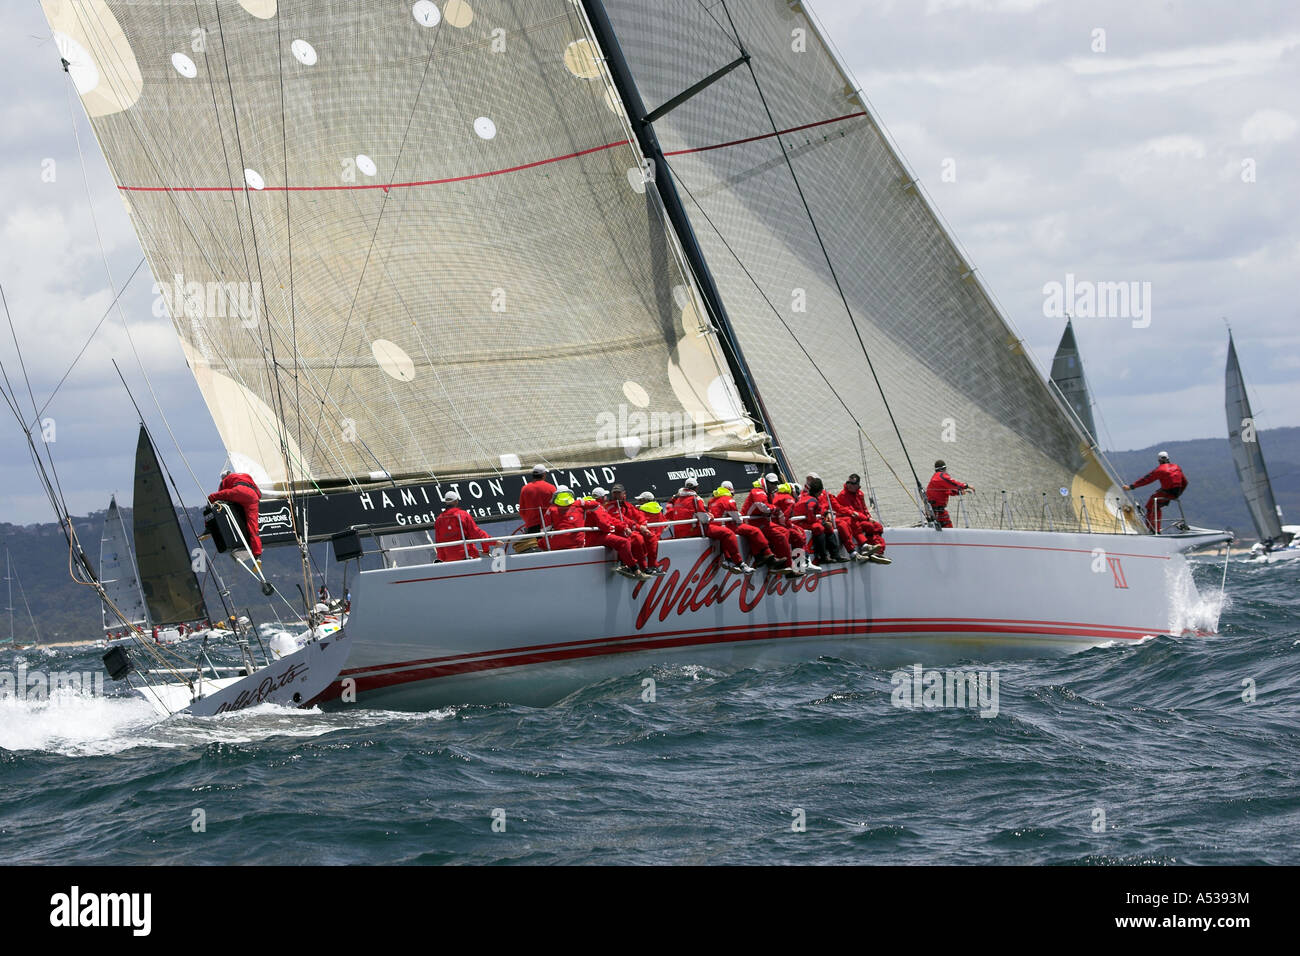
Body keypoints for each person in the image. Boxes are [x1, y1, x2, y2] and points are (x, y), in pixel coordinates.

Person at [712, 480, 780, 570]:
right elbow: (737, 517)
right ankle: (767, 554)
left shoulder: (713, 500)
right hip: (728, 526)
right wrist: (740, 519)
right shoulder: (728, 500)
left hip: (716, 527)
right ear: (731, 491)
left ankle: (755, 557)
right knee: (755, 530)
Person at [582, 488, 647, 579]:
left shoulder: (598, 507)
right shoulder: (596, 508)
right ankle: (634, 569)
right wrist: (613, 528)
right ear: (602, 498)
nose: (607, 498)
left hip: (597, 535)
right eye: (605, 496)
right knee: (623, 542)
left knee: (626, 538)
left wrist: (624, 527)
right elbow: (604, 524)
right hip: (595, 537)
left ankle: (626, 565)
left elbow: (611, 519)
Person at [743, 474, 798, 574]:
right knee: (791, 535)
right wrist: (775, 509)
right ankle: (791, 565)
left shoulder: (770, 494)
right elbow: (765, 508)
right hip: (752, 522)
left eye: (776, 483)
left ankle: (788, 563)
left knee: (787, 532)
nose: (774, 486)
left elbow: (772, 511)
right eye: (772, 483)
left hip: (761, 521)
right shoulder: (758, 491)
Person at [1124, 451, 1188, 533]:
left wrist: (1131, 487)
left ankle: (1153, 530)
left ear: (1159, 461)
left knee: (1151, 504)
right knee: (1156, 502)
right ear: (1168, 458)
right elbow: (1185, 482)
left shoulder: (1160, 469)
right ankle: (1154, 528)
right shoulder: (1177, 467)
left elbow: (1146, 479)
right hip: (1175, 494)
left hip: (1166, 493)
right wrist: (1178, 494)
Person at [606, 484, 663, 575]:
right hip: (619, 530)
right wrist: (639, 527)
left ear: (624, 493)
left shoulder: (627, 505)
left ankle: (652, 565)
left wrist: (643, 524)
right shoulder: (610, 506)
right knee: (637, 538)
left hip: (629, 529)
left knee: (651, 537)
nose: (616, 495)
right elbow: (620, 519)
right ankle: (641, 566)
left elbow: (638, 515)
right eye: (614, 493)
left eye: (618, 493)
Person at [834, 474, 890, 564]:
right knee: (868, 526)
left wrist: (869, 517)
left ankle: (878, 551)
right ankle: (865, 548)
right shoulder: (843, 495)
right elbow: (852, 512)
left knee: (878, 527)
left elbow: (864, 509)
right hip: (852, 520)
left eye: (852, 483)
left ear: (858, 485)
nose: (849, 485)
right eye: (848, 482)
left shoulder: (860, 494)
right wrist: (867, 519)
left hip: (860, 519)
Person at [208, 467, 263, 558]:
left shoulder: (225, 480)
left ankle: (208, 527)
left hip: (238, 492)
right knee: (253, 527)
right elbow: (259, 493)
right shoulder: (246, 475)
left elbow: (221, 493)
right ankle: (257, 555)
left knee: (211, 497)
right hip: (252, 496)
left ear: (224, 477)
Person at [433, 491, 493, 561]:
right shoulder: (463, 515)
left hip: (449, 560)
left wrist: (442, 559)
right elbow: (477, 533)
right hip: (467, 556)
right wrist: (491, 544)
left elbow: (439, 542)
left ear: (446, 502)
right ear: (456, 501)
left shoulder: (439, 519)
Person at [925, 460, 970, 530]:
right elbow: (953, 483)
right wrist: (966, 486)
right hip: (938, 511)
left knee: (941, 527)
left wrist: (958, 492)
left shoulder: (935, 478)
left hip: (933, 510)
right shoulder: (941, 476)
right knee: (948, 526)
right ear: (944, 468)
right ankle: (951, 540)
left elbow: (946, 491)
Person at [543, 486, 586, 550]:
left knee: (541, 543)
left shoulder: (551, 509)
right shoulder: (579, 505)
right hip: (578, 542)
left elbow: (545, 529)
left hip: (559, 543)